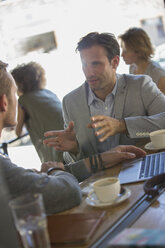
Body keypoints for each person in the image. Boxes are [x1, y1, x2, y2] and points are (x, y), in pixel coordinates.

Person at [0, 60, 146, 215]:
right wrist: (54, 170)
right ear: (4, 103)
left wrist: (100, 160)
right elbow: (66, 191)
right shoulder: (47, 93)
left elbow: (48, 174)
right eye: (14, 93)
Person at [43, 32, 165, 163]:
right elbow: (75, 164)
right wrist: (74, 149)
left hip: (141, 166)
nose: (89, 73)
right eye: (85, 65)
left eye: (96, 64)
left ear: (115, 62)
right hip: (101, 180)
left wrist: (123, 125)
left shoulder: (140, 85)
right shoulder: (70, 102)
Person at [11, 62, 64, 163]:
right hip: (66, 139)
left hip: (52, 149)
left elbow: (18, 132)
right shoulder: (49, 93)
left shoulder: (23, 101)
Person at [119, 27, 165, 94]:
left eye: (126, 51)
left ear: (139, 51)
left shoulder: (157, 74)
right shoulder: (132, 68)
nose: (122, 55)